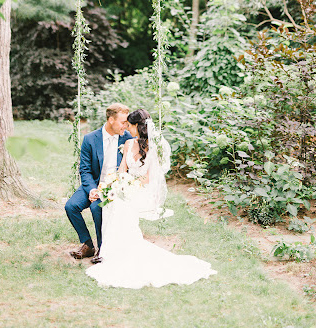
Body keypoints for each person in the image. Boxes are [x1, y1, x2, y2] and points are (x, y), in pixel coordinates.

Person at [86, 109, 217, 288]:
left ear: (137, 127)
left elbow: (148, 178)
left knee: (120, 204)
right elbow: (122, 170)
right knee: (113, 200)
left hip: (143, 190)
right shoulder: (128, 144)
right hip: (127, 185)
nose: (128, 129)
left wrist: (127, 186)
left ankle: (122, 250)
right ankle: (111, 250)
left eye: (130, 126)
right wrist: (116, 184)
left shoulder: (153, 147)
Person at [65, 103, 132, 261]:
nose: (126, 125)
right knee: (71, 206)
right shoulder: (90, 138)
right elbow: (85, 169)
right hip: (93, 183)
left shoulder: (128, 138)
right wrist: (92, 190)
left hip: (114, 186)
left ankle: (103, 248)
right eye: (123, 122)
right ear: (111, 120)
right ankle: (88, 245)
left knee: (97, 207)